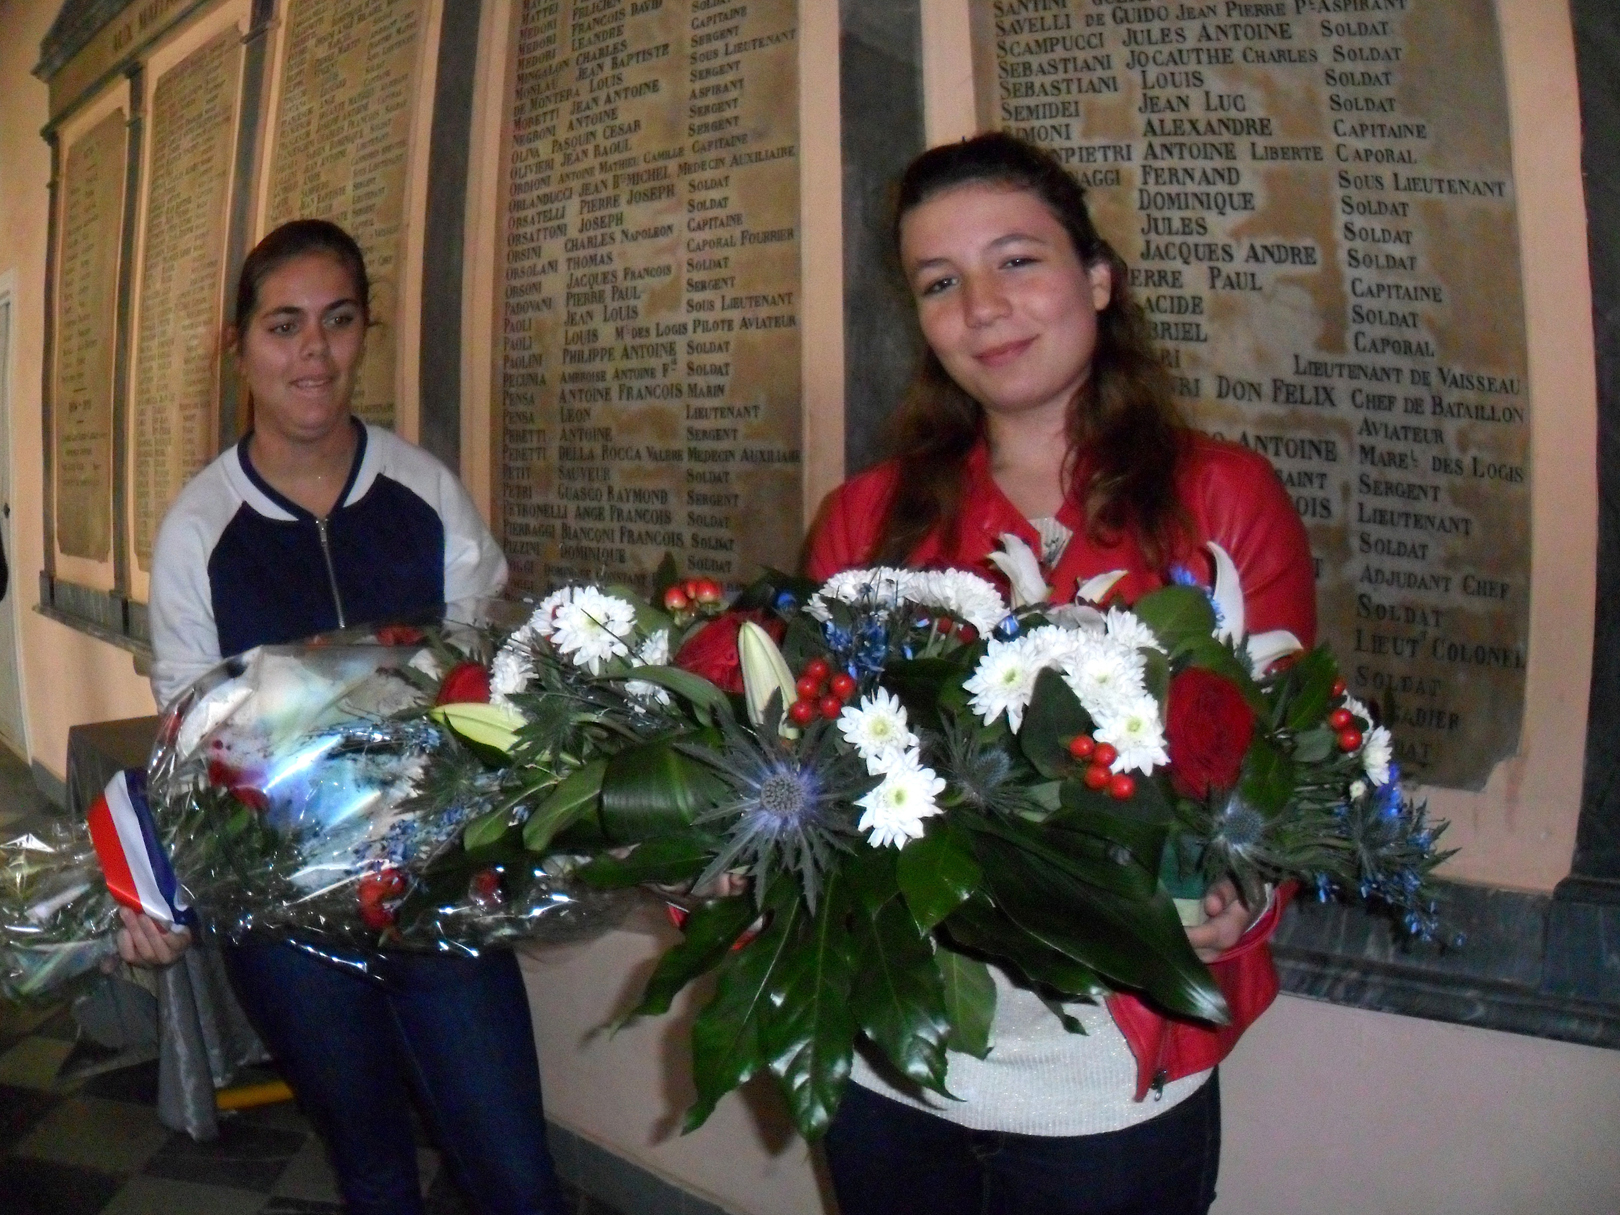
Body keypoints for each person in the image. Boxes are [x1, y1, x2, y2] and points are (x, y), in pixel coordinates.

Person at [807, 133, 1317, 1215]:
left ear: (1097, 277)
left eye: (1018, 261)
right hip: (893, 1063)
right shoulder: (868, 519)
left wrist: (1236, 896)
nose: (982, 307)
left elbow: (1285, 770)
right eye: (940, 284)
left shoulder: (1222, 498)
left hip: (1111, 1085)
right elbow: (811, 764)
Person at [117, 219, 567, 1215]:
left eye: (337, 321)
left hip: (438, 892)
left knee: (517, 1176)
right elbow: (192, 742)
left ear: (365, 331)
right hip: (286, 923)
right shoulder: (201, 527)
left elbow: (484, 682)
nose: (312, 354)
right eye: (283, 327)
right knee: (371, 1171)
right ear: (236, 346)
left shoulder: (422, 493)